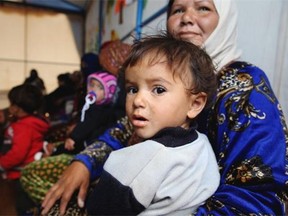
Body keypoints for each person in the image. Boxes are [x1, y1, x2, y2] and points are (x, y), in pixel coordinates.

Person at [41, 0, 288, 215]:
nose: (187, 19)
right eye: (177, 10)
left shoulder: (244, 88)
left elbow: (262, 196)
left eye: (203, 8)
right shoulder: (159, 74)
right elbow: (123, 129)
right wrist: (84, 161)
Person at [86, 34, 219, 215]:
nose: (138, 100)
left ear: (195, 104)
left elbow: (98, 210)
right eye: (132, 89)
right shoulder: (202, 144)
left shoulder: (137, 160)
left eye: (158, 89)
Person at [20, 71, 120, 205]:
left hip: (88, 149)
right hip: (84, 145)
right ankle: (51, 151)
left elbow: (86, 125)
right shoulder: (92, 106)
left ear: (109, 93)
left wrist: (73, 137)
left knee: (66, 148)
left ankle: (54, 200)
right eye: (92, 85)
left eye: (100, 87)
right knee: (64, 146)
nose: (93, 90)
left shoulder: (101, 111)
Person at [0, 84, 49, 214]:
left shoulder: (24, 127)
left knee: (23, 207)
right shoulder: (26, 122)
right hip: (23, 173)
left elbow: (18, 154)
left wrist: (2, 164)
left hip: (21, 175)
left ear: (17, 108)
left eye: (11, 103)